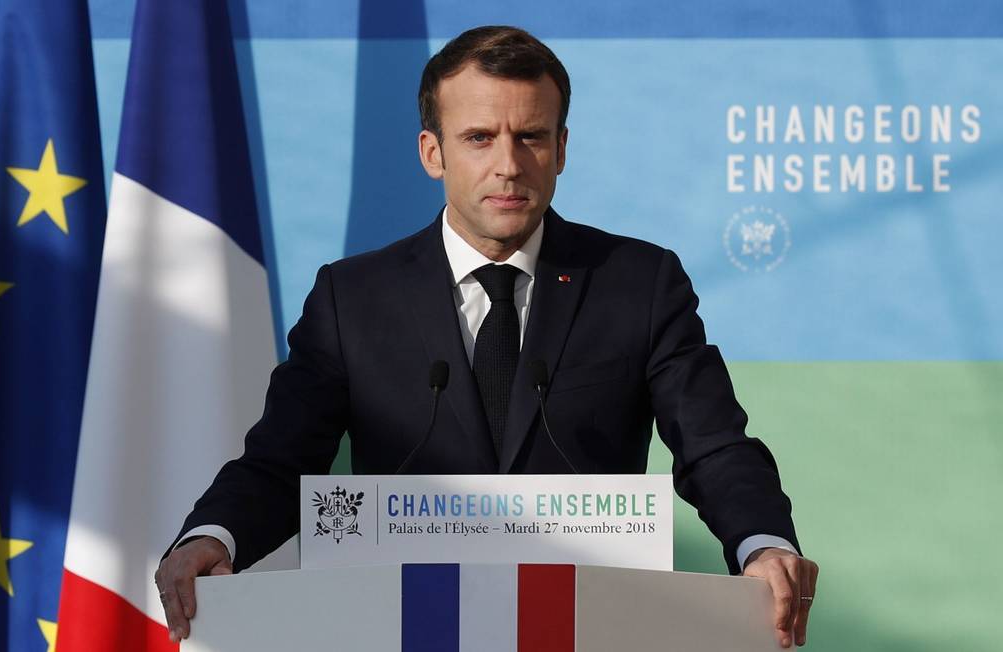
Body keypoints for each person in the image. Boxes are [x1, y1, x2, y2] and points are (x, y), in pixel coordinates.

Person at [154, 25, 819, 649]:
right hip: (404, 629)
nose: (508, 164)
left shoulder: (639, 284)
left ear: (561, 149)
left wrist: (761, 544)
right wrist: (217, 534)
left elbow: (714, 446)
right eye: (479, 137)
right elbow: (281, 459)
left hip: (588, 627)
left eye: (530, 136)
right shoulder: (352, 298)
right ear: (432, 152)